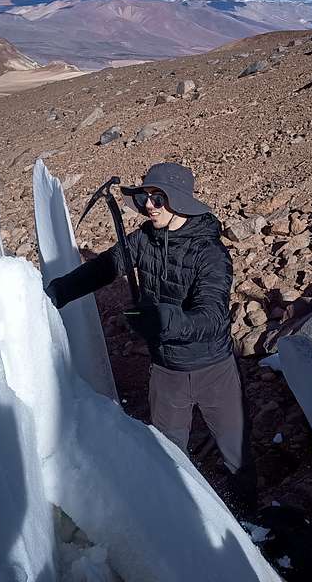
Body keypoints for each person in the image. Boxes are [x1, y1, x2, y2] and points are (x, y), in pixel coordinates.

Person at [45, 162, 256, 510]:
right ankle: (182, 517)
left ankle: (250, 525)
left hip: (213, 370)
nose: (149, 206)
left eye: (160, 198)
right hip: (166, 371)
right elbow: (105, 267)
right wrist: (58, 292)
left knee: (236, 455)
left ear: (182, 201)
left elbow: (213, 316)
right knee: (169, 458)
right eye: (146, 196)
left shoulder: (210, 254)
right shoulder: (144, 240)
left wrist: (163, 320)